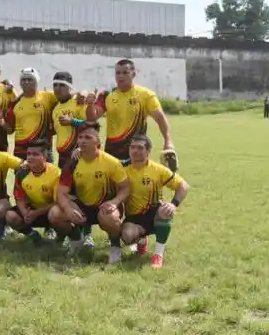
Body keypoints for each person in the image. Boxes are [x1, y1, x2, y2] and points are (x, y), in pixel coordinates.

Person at [51, 121, 130, 263]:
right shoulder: (72, 163)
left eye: (88, 137)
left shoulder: (111, 162)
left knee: (111, 218)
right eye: (80, 137)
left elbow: (125, 188)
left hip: (104, 206)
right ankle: (76, 241)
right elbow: (61, 193)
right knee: (55, 214)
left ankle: (115, 248)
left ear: (97, 142)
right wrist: (68, 209)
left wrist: (114, 202)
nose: (83, 141)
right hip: (81, 208)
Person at [85, 59, 176, 170]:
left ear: (133, 74)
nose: (121, 76)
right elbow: (92, 118)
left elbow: (160, 118)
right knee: (114, 180)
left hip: (136, 149)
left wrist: (168, 140)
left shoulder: (145, 95)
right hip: (112, 150)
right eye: (118, 73)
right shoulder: (106, 95)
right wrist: (90, 104)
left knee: (137, 179)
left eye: (125, 73)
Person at [119, 134, 190, 268]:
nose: (135, 151)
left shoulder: (158, 169)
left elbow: (183, 186)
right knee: (127, 236)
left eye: (140, 148)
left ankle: (158, 255)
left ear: (148, 151)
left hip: (154, 212)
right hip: (133, 216)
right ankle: (141, 240)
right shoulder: (121, 169)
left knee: (165, 211)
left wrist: (173, 204)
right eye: (132, 147)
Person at [6, 144, 66, 246]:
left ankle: (62, 238)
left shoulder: (56, 173)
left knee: (56, 213)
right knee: (10, 216)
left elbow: (59, 202)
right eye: (28, 154)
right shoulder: (22, 173)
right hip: (31, 210)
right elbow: (19, 198)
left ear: (45, 157)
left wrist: (36, 213)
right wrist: (25, 213)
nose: (30, 157)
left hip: (49, 211)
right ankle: (34, 236)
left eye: (35, 154)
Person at [6, 67, 57, 160]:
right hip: (20, 149)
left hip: (42, 148)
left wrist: (83, 93)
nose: (26, 82)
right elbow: (10, 130)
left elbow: (67, 98)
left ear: (36, 81)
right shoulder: (15, 103)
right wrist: (1, 123)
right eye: (23, 80)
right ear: (20, 83)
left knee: (47, 170)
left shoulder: (48, 96)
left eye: (30, 79)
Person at [51, 71, 89, 170]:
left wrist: (72, 121)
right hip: (62, 157)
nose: (57, 88)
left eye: (62, 85)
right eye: (55, 85)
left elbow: (91, 125)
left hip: (78, 155)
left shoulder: (79, 101)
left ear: (70, 87)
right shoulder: (55, 109)